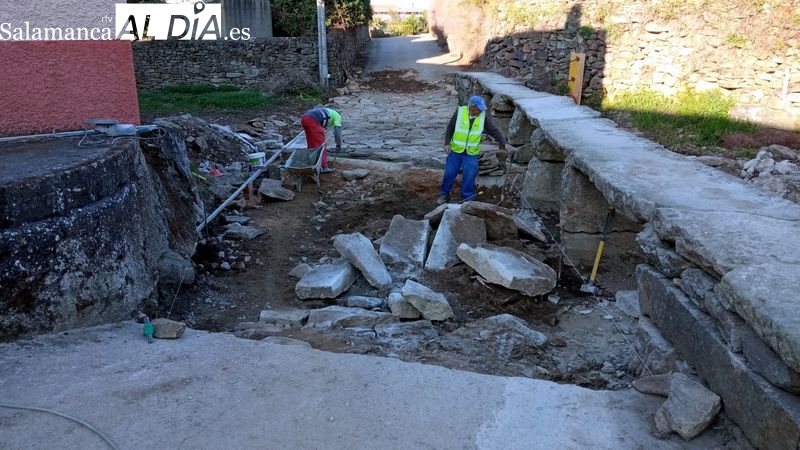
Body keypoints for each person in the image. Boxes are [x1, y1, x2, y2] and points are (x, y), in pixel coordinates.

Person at [438, 95, 508, 205]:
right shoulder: (460, 112)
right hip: (456, 150)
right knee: (449, 173)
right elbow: (450, 127)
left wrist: (503, 143)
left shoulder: (482, 116)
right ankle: (444, 195)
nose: (480, 111)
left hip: (471, 153)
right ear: (472, 106)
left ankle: (467, 198)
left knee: (470, 174)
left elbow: (493, 130)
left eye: (481, 109)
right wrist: (447, 143)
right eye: (479, 109)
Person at [300, 106, 343, 173]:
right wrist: (338, 144)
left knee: (312, 143)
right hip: (313, 120)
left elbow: (322, 122)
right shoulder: (338, 116)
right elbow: (337, 132)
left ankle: (312, 162)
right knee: (321, 145)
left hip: (304, 118)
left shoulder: (329, 111)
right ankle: (323, 167)